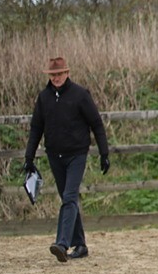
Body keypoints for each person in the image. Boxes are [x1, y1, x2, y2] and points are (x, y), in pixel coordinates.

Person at [23, 57, 110, 262]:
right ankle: (80, 245)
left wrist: (104, 153)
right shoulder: (44, 98)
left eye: (59, 74)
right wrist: (29, 157)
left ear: (67, 73)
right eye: (53, 75)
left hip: (77, 155)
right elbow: (36, 128)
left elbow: (96, 124)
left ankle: (62, 243)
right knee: (67, 199)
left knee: (70, 196)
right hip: (55, 155)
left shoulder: (80, 95)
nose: (56, 78)